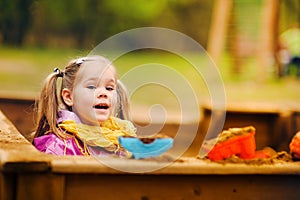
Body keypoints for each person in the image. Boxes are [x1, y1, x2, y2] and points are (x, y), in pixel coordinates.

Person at [33, 55, 137, 157]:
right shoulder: (58, 147)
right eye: (92, 87)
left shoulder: (119, 139)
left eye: (109, 88)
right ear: (69, 97)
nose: (103, 93)